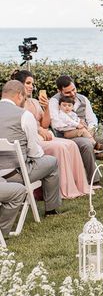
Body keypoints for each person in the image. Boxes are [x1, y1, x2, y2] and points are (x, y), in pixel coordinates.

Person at [11, 70, 91, 199]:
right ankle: (63, 189)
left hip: (44, 135)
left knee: (71, 145)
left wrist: (47, 107)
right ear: (19, 84)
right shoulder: (16, 104)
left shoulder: (34, 102)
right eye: (28, 83)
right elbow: (23, 125)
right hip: (33, 138)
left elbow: (45, 124)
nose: (31, 86)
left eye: (32, 83)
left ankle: (77, 186)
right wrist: (38, 129)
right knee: (60, 147)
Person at [0, 80, 62, 216]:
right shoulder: (24, 115)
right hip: (14, 174)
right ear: (19, 95)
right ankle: (51, 210)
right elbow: (34, 152)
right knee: (52, 162)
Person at [49, 75, 103, 183]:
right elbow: (57, 124)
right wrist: (77, 126)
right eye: (68, 92)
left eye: (74, 89)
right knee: (86, 143)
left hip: (88, 132)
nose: (73, 94)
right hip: (68, 136)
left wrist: (91, 129)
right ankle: (93, 180)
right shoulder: (54, 101)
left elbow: (92, 119)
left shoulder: (83, 99)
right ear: (59, 91)